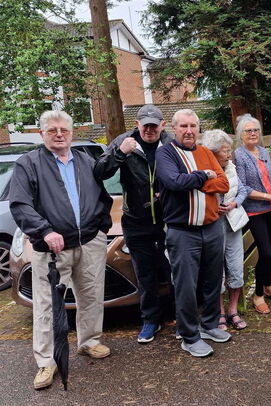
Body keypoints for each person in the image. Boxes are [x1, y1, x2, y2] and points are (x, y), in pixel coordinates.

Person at [9, 110, 113, 390]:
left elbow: (101, 195)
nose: (58, 134)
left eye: (63, 130)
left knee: (91, 294)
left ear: (71, 133)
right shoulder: (28, 164)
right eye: (52, 130)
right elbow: (20, 204)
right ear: (42, 134)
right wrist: (44, 230)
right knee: (47, 305)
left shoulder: (84, 161)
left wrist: (101, 226)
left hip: (89, 240)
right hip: (52, 248)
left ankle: (89, 341)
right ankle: (46, 362)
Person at [94, 104, 173, 344]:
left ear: (162, 125)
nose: (149, 130)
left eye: (153, 125)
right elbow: (99, 171)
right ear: (137, 125)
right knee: (145, 273)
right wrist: (120, 153)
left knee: (173, 270)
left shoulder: (171, 143)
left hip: (167, 219)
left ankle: (175, 315)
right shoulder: (123, 141)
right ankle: (150, 320)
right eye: (144, 125)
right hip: (136, 221)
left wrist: (166, 192)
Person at [155, 109, 231, 357]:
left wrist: (196, 180)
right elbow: (174, 182)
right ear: (174, 129)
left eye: (193, 126)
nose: (189, 131)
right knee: (186, 286)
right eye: (183, 126)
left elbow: (223, 183)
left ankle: (209, 325)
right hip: (182, 232)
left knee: (212, 280)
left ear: (199, 129)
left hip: (212, 228)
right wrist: (202, 175)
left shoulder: (206, 152)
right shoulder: (165, 153)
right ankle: (189, 336)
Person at [234, 114, 271, 315]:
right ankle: (257, 295)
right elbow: (244, 188)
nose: (253, 133)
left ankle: (268, 286)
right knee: (264, 252)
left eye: (255, 130)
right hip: (254, 211)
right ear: (241, 135)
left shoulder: (263, 151)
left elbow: (270, 178)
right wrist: (269, 195)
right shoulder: (239, 155)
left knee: (270, 249)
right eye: (248, 130)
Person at [201, 130, 249, 330]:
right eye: (225, 151)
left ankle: (233, 310)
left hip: (233, 224)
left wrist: (235, 203)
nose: (229, 154)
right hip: (213, 225)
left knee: (236, 268)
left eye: (229, 150)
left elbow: (243, 189)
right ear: (213, 153)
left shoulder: (232, 167)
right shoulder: (205, 170)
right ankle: (220, 312)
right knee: (216, 270)